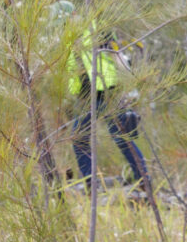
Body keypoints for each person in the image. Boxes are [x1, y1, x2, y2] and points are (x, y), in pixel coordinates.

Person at [62, 15, 151, 190]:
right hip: (84, 96)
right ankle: (90, 185)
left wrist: (131, 88)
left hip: (108, 90)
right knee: (79, 139)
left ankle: (144, 182)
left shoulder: (98, 27)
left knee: (122, 138)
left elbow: (117, 56)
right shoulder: (67, 36)